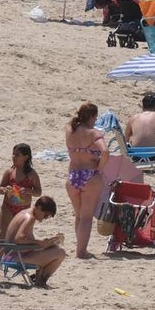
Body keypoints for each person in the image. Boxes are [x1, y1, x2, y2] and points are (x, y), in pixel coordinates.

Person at [64, 102, 107, 259]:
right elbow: (105, 152)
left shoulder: (70, 130)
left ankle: (80, 247)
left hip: (73, 175)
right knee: (87, 217)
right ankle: (81, 252)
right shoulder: (93, 134)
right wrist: (99, 170)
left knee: (79, 215)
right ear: (93, 116)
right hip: (90, 176)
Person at [3, 196, 66, 288]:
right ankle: (40, 281)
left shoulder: (25, 213)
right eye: (46, 215)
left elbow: (22, 239)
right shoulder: (30, 218)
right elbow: (19, 239)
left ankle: (39, 278)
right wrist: (39, 242)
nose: (45, 218)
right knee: (60, 253)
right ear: (39, 208)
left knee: (54, 248)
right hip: (15, 257)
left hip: (11, 254)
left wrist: (43, 243)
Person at [0, 143, 41, 239]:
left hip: (24, 208)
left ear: (26, 157)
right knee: (3, 234)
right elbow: (0, 189)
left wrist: (28, 190)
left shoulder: (31, 174)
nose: (14, 157)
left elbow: (38, 192)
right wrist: (5, 189)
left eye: (17, 155)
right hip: (8, 207)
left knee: (21, 236)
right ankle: (0, 254)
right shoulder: (9, 172)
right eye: (13, 154)